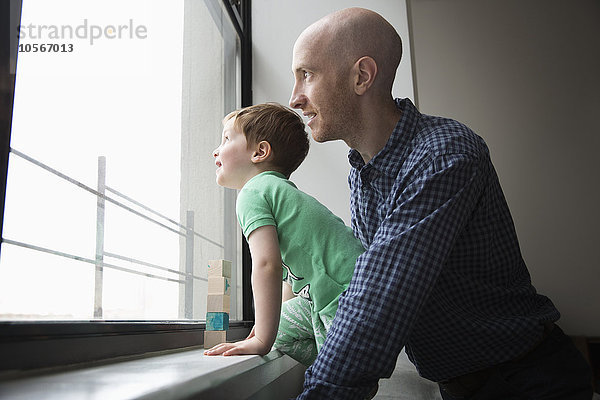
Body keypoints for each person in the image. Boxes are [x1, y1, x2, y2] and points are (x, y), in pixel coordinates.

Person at [288, 7, 593, 400]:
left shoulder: (444, 153)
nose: (295, 98)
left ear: (361, 76)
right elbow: (366, 278)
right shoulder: (362, 172)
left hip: (529, 383)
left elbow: (378, 297)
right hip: (464, 386)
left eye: (306, 75)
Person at [204, 103, 365, 367]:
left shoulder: (252, 192)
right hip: (346, 292)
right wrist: (269, 327)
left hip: (343, 300)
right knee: (283, 338)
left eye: (225, 139)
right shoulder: (279, 192)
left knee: (334, 385)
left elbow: (267, 264)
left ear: (260, 152)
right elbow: (289, 278)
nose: (216, 150)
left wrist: (262, 339)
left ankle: (343, 370)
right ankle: (339, 363)